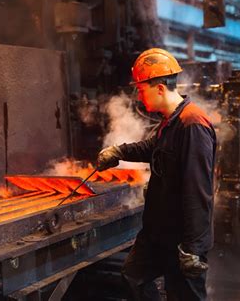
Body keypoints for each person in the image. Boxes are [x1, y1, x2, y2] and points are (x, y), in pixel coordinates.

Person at [97, 48, 216, 301]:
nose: (140, 98)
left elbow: (198, 190)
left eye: (142, 90)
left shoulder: (192, 123)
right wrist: (118, 152)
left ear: (160, 88)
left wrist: (193, 248)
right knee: (133, 276)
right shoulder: (172, 120)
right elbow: (153, 148)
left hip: (181, 239)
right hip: (159, 234)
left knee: (184, 295)